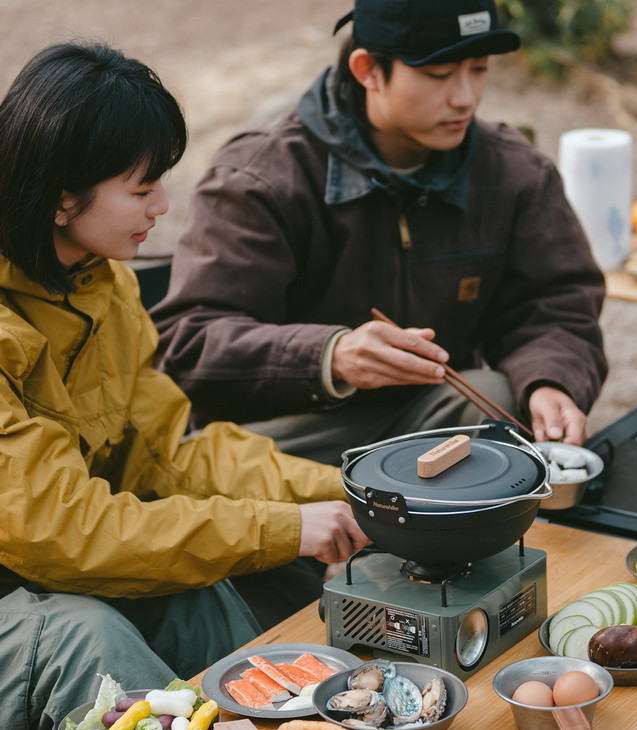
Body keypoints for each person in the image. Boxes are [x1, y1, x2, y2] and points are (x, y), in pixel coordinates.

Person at [0, 41, 368, 730]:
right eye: (140, 189)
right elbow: (61, 533)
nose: (163, 207)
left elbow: (171, 455)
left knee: (192, 591)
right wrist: (279, 530)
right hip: (30, 584)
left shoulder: (99, 286)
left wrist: (349, 491)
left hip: (36, 575)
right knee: (86, 636)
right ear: (59, 195)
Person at [152, 0, 608, 467]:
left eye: (479, 69)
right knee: (211, 468)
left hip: (428, 419)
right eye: (439, 74)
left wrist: (550, 380)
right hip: (285, 438)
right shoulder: (259, 180)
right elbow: (190, 344)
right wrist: (330, 357)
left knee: (498, 399)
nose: (465, 97)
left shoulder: (513, 172)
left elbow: (556, 304)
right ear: (368, 69)